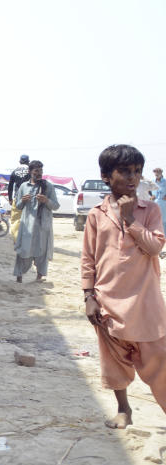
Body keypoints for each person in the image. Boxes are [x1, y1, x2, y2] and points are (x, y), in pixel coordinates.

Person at [82, 144, 166, 428]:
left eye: (137, 172)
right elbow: (88, 259)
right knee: (114, 359)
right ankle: (123, 409)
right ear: (106, 176)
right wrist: (88, 296)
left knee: (159, 361)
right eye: (125, 171)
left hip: (145, 303)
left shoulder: (150, 210)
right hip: (107, 301)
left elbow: (154, 247)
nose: (133, 178)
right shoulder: (96, 214)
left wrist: (131, 219)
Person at [13, 159, 59, 282]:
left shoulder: (48, 186)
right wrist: (22, 200)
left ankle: (39, 277)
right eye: (36, 171)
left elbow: (56, 206)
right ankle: (19, 278)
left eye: (41, 171)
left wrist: (46, 201)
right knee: (23, 251)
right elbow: (18, 206)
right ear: (30, 172)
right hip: (27, 226)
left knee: (41, 252)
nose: (39, 173)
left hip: (43, 226)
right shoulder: (23, 186)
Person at [8, 154, 31, 241]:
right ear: (28, 162)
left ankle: (17, 239)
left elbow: (10, 186)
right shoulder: (30, 171)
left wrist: (10, 199)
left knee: (15, 221)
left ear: (20, 161)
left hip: (17, 199)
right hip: (28, 198)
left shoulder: (14, 171)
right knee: (28, 220)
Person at [155, 168, 166, 236]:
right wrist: (151, 196)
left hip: (164, 204)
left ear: (161, 173)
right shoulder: (153, 182)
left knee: (164, 221)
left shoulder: (165, 181)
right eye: (155, 172)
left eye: (158, 172)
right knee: (155, 221)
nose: (156, 174)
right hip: (155, 204)